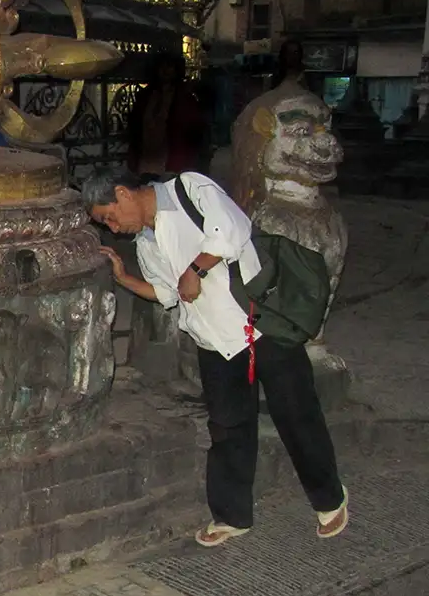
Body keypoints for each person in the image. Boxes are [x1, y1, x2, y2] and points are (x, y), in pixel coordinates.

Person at [81, 167, 349, 547]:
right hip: (214, 342)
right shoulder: (146, 242)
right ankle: (231, 515)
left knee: (296, 414)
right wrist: (125, 279)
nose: (111, 226)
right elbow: (169, 295)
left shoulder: (188, 189)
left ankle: (329, 498)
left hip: (259, 326)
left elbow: (233, 230)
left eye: (108, 216)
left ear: (123, 194)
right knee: (227, 428)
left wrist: (194, 269)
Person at [125, 53, 206, 180]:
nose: (165, 71)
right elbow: (135, 125)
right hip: (145, 159)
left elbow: (193, 129)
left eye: (170, 67)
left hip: (172, 159)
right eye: (162, 66)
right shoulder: (146, 96)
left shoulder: (185, 97)